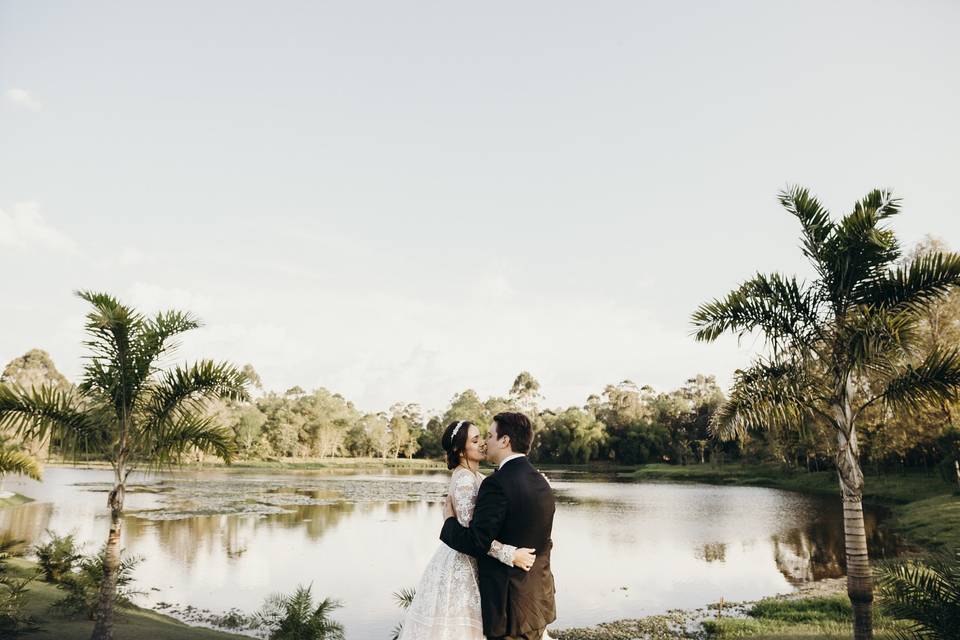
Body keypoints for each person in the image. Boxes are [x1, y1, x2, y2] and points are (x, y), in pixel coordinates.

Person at [398, 419, 537, 640]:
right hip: (464, 566)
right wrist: (511, 555)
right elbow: (474, 538)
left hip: (478, 563)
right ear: (459, 450)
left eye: (482, 437)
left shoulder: (478, 476)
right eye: (475, 440)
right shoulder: (463, 480)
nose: (482, 443)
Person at [440, 412, 557, 640]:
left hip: (509, 607)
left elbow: (477, 540)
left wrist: (448, 523)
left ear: (505, 441)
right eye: (478, 439)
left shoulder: (496, 484)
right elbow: (543, 537)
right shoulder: (541, 481)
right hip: (539, 599)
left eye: (490, 435)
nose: (486, 441)